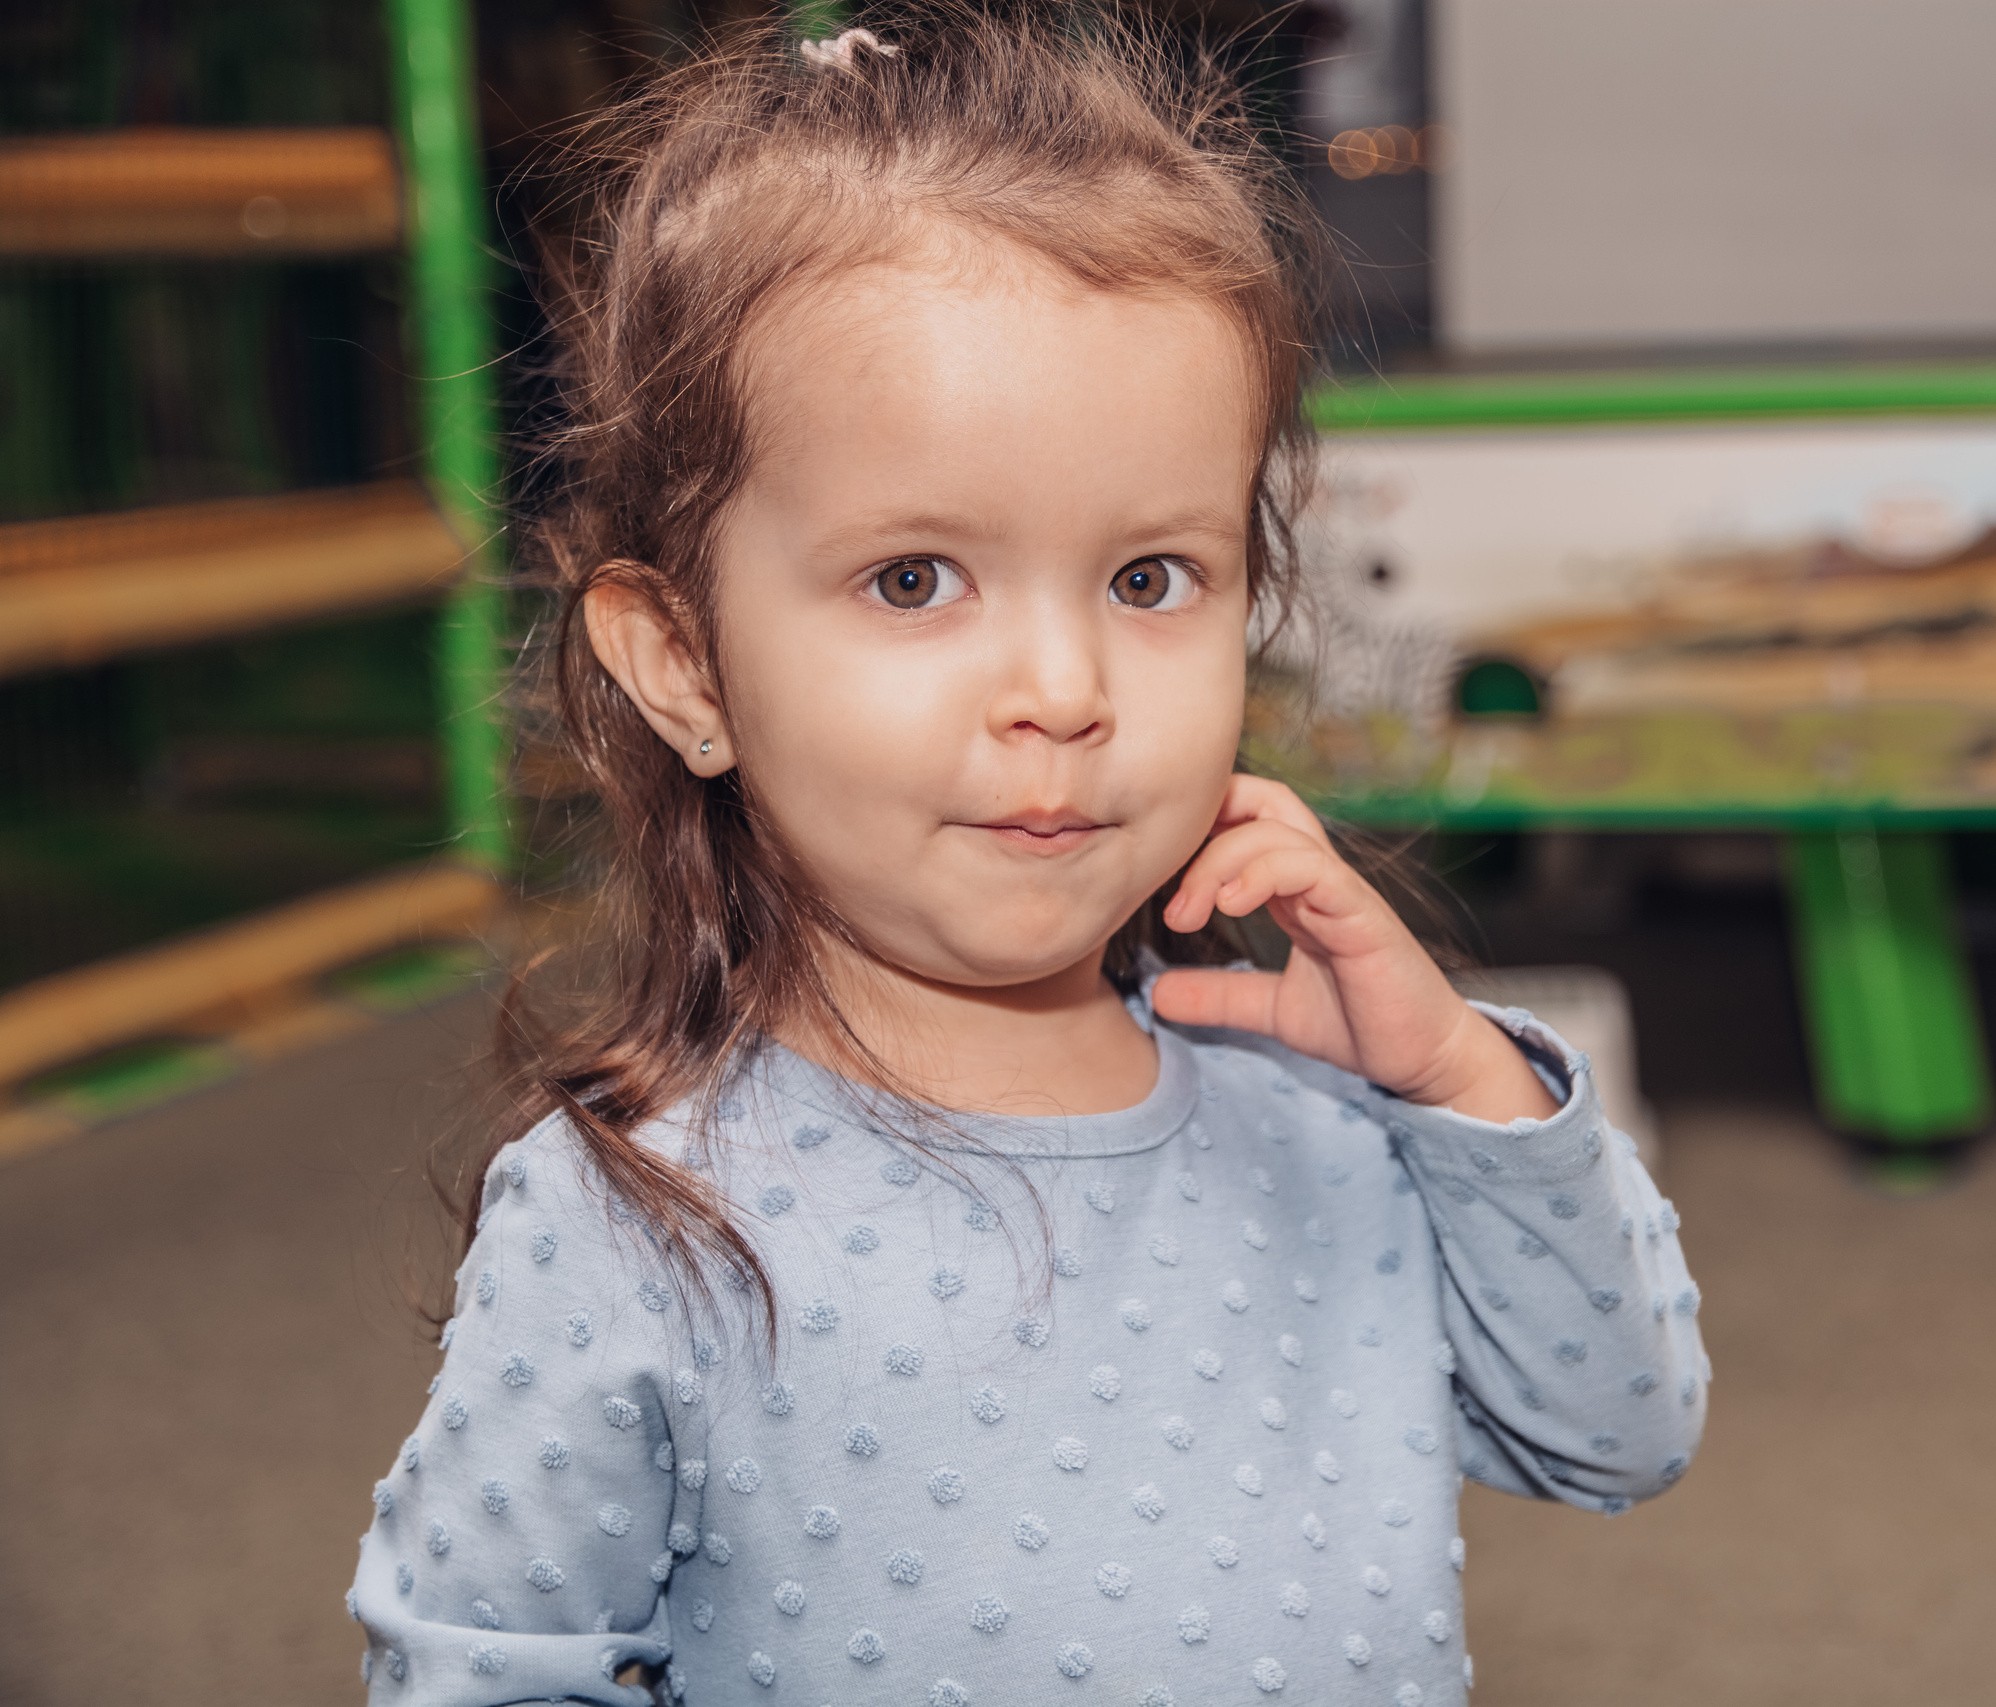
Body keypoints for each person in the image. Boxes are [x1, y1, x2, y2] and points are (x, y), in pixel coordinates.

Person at [348, 9, 1706, 1702]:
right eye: (914, 579)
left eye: (1149, 580)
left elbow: (1617, 1430)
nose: (1064, 691)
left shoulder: (1337, 1130)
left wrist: (1454, 1081)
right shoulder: (636, 1220)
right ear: (685, 665)